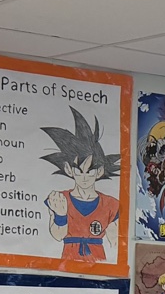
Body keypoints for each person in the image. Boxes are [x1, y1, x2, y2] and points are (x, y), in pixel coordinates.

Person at [40, 108, 120, 267]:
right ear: (68, 169)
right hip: (67, 263)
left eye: (90, 171)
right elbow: (57, 235)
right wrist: (60, 215)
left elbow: (115, 242)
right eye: (78, 171)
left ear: (99, 171)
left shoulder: (110, 204)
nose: (84, 177)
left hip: (99, 265)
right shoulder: (59, 199)